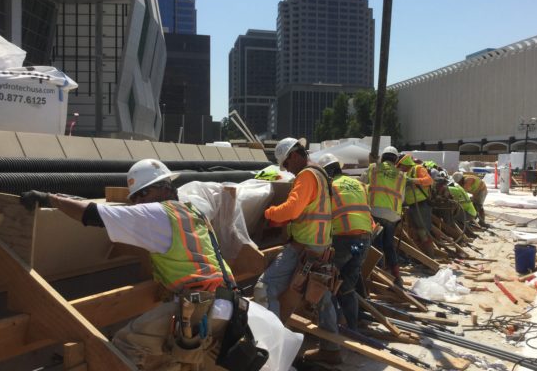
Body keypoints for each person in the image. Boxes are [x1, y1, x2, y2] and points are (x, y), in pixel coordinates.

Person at [20, 159, 234, 370]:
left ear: (161, 189)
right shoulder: (191, 212)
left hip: (200, 307)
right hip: (227, 304)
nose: (138, 203)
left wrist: (50, 199)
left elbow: (93, 215)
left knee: (124, 346)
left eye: (141, 195)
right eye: (134, 199)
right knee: (179, 357)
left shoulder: (157, 214)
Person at [253, 137, 340, 364]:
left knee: (264, 287)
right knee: (322, 295)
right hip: (321, 247)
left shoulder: (307, 176)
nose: (287, 170)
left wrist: (269, 213)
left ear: (293, 156)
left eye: (286, 164)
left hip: (303, 247)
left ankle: (272, 352)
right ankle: (331, 350)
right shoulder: (321, 174)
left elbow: (292, 209)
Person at [318, 154, 372, 331]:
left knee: (327, 281)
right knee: (348, 286)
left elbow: (323, 214)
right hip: (363, 240)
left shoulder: (331, 186)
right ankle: (353, 328)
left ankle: (336, 326)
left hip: (345, 238)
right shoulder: (358, 183)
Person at [360, 146, 406, 285]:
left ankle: (377, 275)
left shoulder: (373, 168)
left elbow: (361, 185)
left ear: (383, 157)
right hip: (393, 215)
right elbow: (402, 198)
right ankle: (397, 277)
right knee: (389, 245)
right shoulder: (401, 175)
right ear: (396, 160)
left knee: (376, 244)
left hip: (375, 211)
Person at [397, 154, 435, 263]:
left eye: (400, 166)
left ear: (404, 163)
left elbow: (429, 180)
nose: (399, 169)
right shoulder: (407, 173)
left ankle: (430, 259)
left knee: (423, 232)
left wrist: (413, 181)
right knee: (415, 232)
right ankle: (422, 258)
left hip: (421, 205)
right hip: (413, 206)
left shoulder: (418, 168)